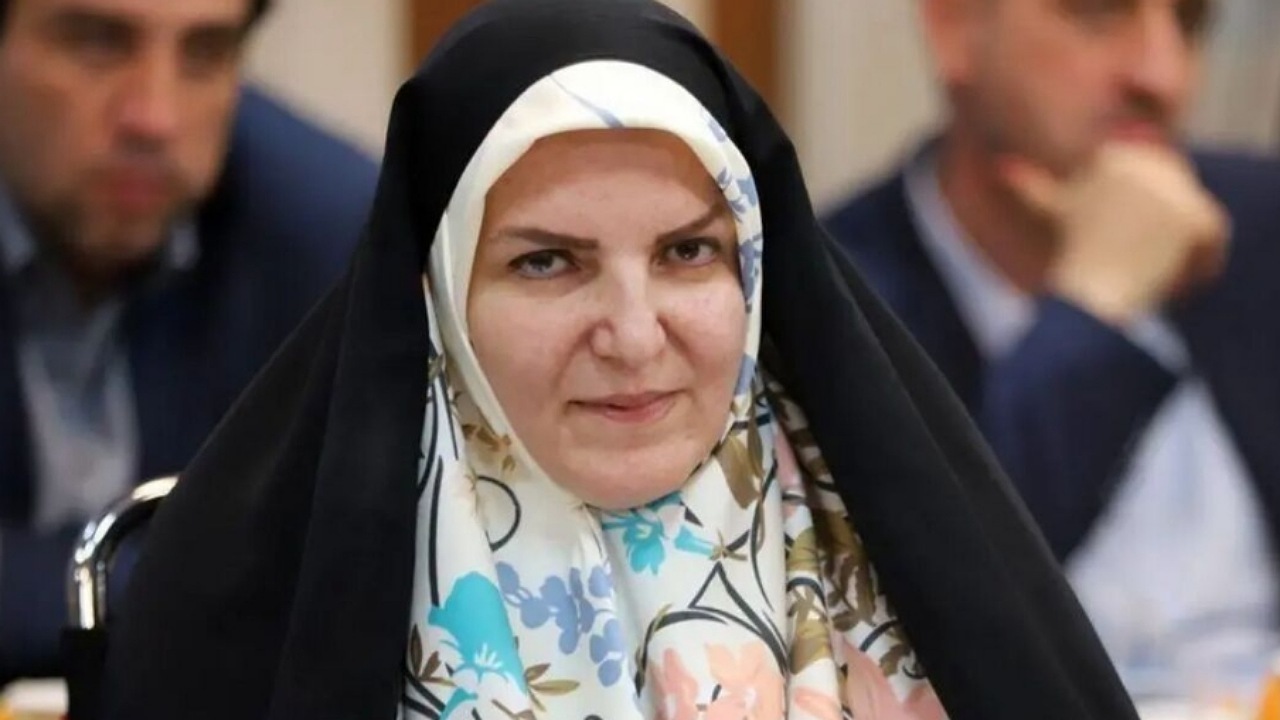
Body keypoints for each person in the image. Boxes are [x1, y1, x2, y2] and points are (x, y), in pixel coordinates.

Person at [101, 1, 1140, 718]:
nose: (636, 336)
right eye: (547, 262)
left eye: (688, 253)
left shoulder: (908, 572)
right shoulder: (255, 624)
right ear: (436, 297)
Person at [823, 0, 1280, 701]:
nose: (1163, 75)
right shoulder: (832, 304)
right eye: (1098, 13)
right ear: (955, 28)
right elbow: (934, 621)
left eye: (1190, 22)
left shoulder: (1256, 225)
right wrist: (1095, 306)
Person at [0, 0, 377, 679]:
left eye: (205, 53)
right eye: (97, 44)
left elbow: (344, 565)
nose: (155, 118)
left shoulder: (324, 233)